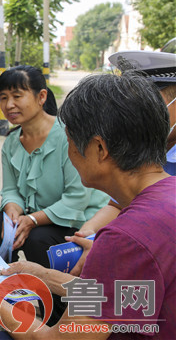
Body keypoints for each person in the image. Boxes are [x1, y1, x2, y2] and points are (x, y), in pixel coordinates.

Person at [0, 73, 176, 339]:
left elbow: (56, 338)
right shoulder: (164, 196)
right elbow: (119, 298)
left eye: (70, 141)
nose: (68, 151)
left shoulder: (122, 239)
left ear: (99, 149)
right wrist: (44, 276)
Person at [0, 65, 109, 326]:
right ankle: (7, 301)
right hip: (40, 213)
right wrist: (13, 208)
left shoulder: (67, 137)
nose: (9, 104)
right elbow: (11, 188)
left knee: (38, 240)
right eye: (3, 97)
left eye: (17, 95)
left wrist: (33, 220)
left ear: (41, 97)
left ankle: (59, 316)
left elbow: (76, 197)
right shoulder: (13, 141)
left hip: (77, 221)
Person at [68, 50, 176, 277]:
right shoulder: (148, 176)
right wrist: (90, 233)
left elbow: (91, 310)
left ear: (99, 148)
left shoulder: (125, 235)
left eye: (71, 140)